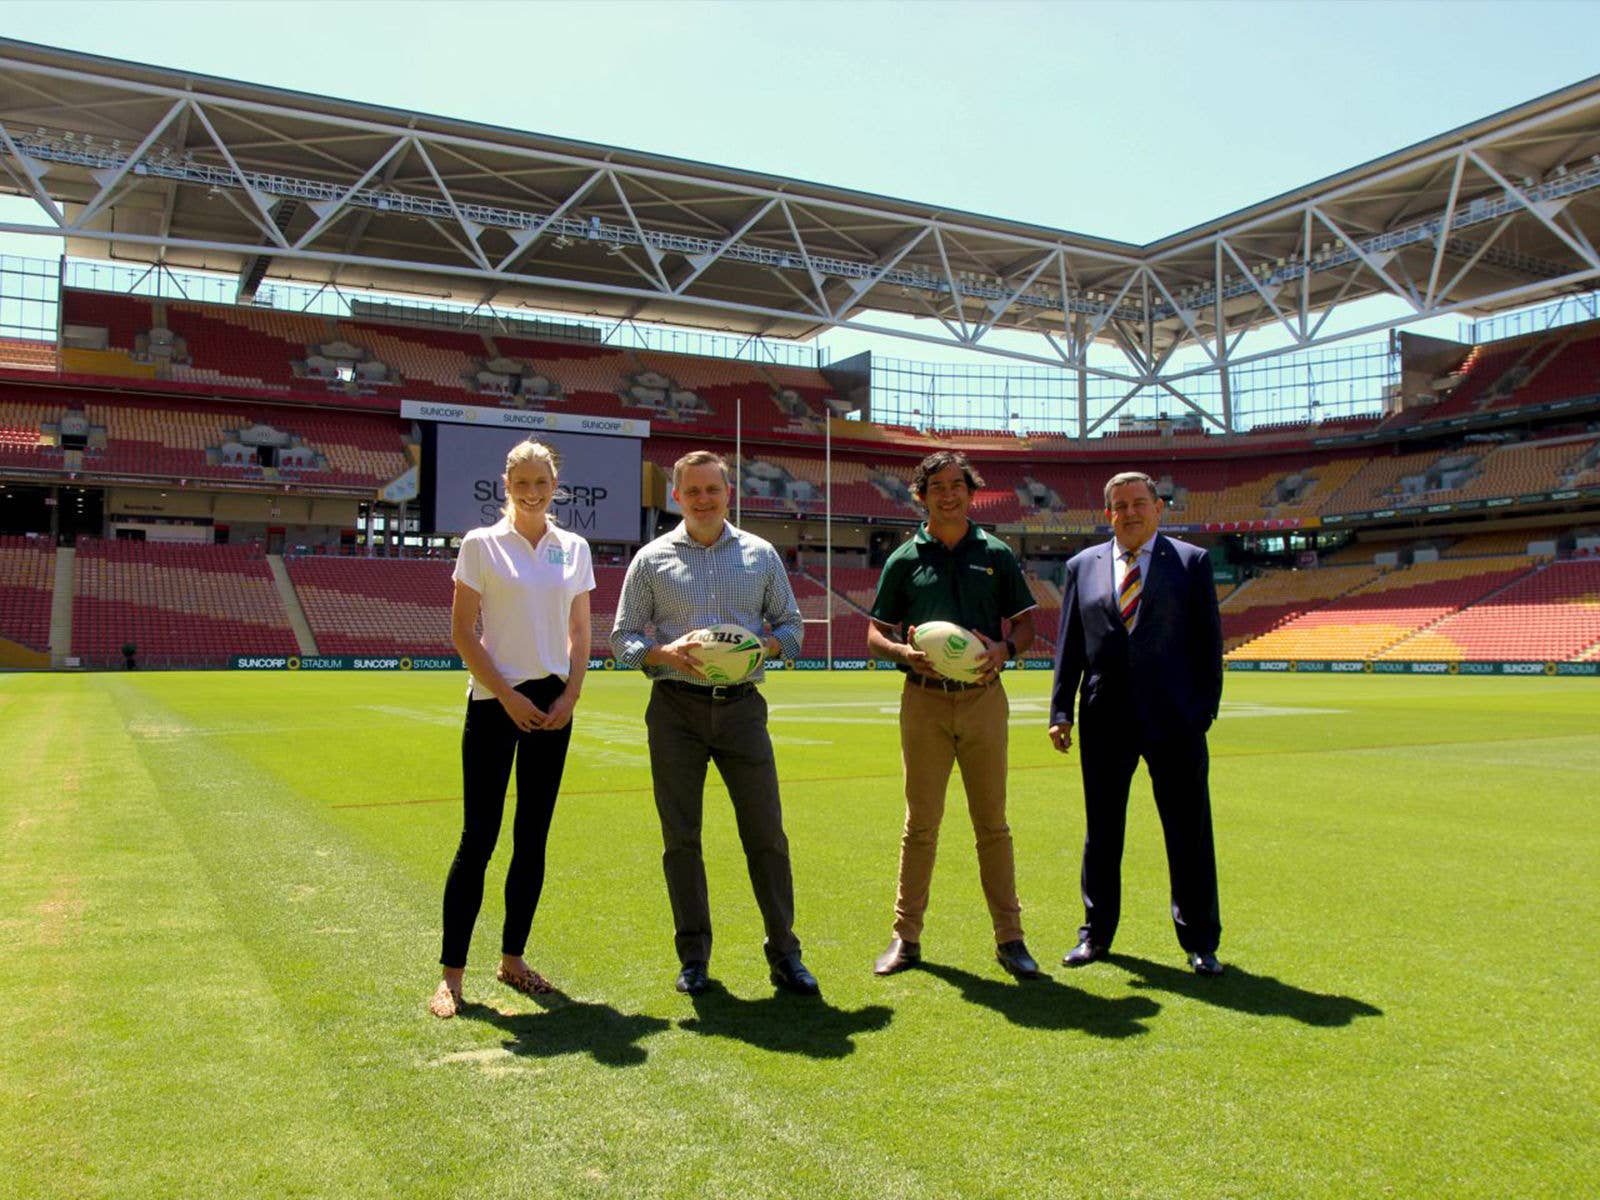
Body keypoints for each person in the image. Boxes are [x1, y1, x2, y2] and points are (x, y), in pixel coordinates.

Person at [610, 449, 820, 997]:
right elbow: (623, 639)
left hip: (742, 709)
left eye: (714, 490)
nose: (704, 499)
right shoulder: (650, 560)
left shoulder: (760, 554)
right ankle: (694, 959)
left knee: (767, 836)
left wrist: (762, 647)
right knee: (681, 839)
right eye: (693, 491)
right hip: (675, 709)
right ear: (675, 495)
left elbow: (793, 629)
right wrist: (663, 653)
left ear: (729, 493)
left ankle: (785, 954)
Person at [429, 438, 595, 1018]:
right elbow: (462, 633)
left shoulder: (573, 547)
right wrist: (504, 695)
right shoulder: (480, 544)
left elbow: (580, 629)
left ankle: (514, 959)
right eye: (521, 483)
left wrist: (572, 693)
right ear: (506, 485)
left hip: (554, 704)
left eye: (541, 483)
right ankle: (452, 974)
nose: (531, 492)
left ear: (555, 486)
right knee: (479, 838)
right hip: (494, 700)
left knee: (533, 837)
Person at [866, 451, 1042, 980]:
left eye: (957, 485)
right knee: (920, 824)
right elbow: (875, 634)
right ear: (921, 495)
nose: (948, 494)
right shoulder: (903, 559)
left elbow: (1028, 628)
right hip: (923, 699)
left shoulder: (996, 553)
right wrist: (901, 653)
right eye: (937, 486)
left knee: (993, 824)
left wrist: (1005, 651)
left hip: (984, 698)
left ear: (971, 491)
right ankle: (906, 938)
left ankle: (1010, 939)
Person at [1048, 470, 1225, 976]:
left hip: (1176, 722)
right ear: (1109, 513)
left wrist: (1202, 712)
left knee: (1188, 831)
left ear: (1158, 507)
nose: (1130, 512)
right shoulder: (1083, 565)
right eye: (1119, 505)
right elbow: (1070, 645)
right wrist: (1061, 711)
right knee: (1102, 833)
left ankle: (1200, 942)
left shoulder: (1191, 562)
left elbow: (1208, 644)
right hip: (1105, 718)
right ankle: (1095, 935)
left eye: (1138, 502)